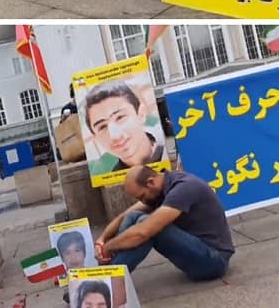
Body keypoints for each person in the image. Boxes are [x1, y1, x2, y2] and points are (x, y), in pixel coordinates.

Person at [95, 165, 234, 281]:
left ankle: (107, 279)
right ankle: (110, 268)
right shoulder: (160, 186)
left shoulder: (183, 189)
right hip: (197, 252)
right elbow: (124, 216)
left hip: (214, 261)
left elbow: (142, 232)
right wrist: (102, 240)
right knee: (134, 216)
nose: (142, 201)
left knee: (147, 226)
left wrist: (109, 247)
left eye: (142, 197)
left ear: (151, 182)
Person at [83, 81, 164, 171]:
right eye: (102, 127)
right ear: (96, 137)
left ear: (141, 114)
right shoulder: (108, 176)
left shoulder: (167, 151)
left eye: (120, 117)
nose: (115, 136)